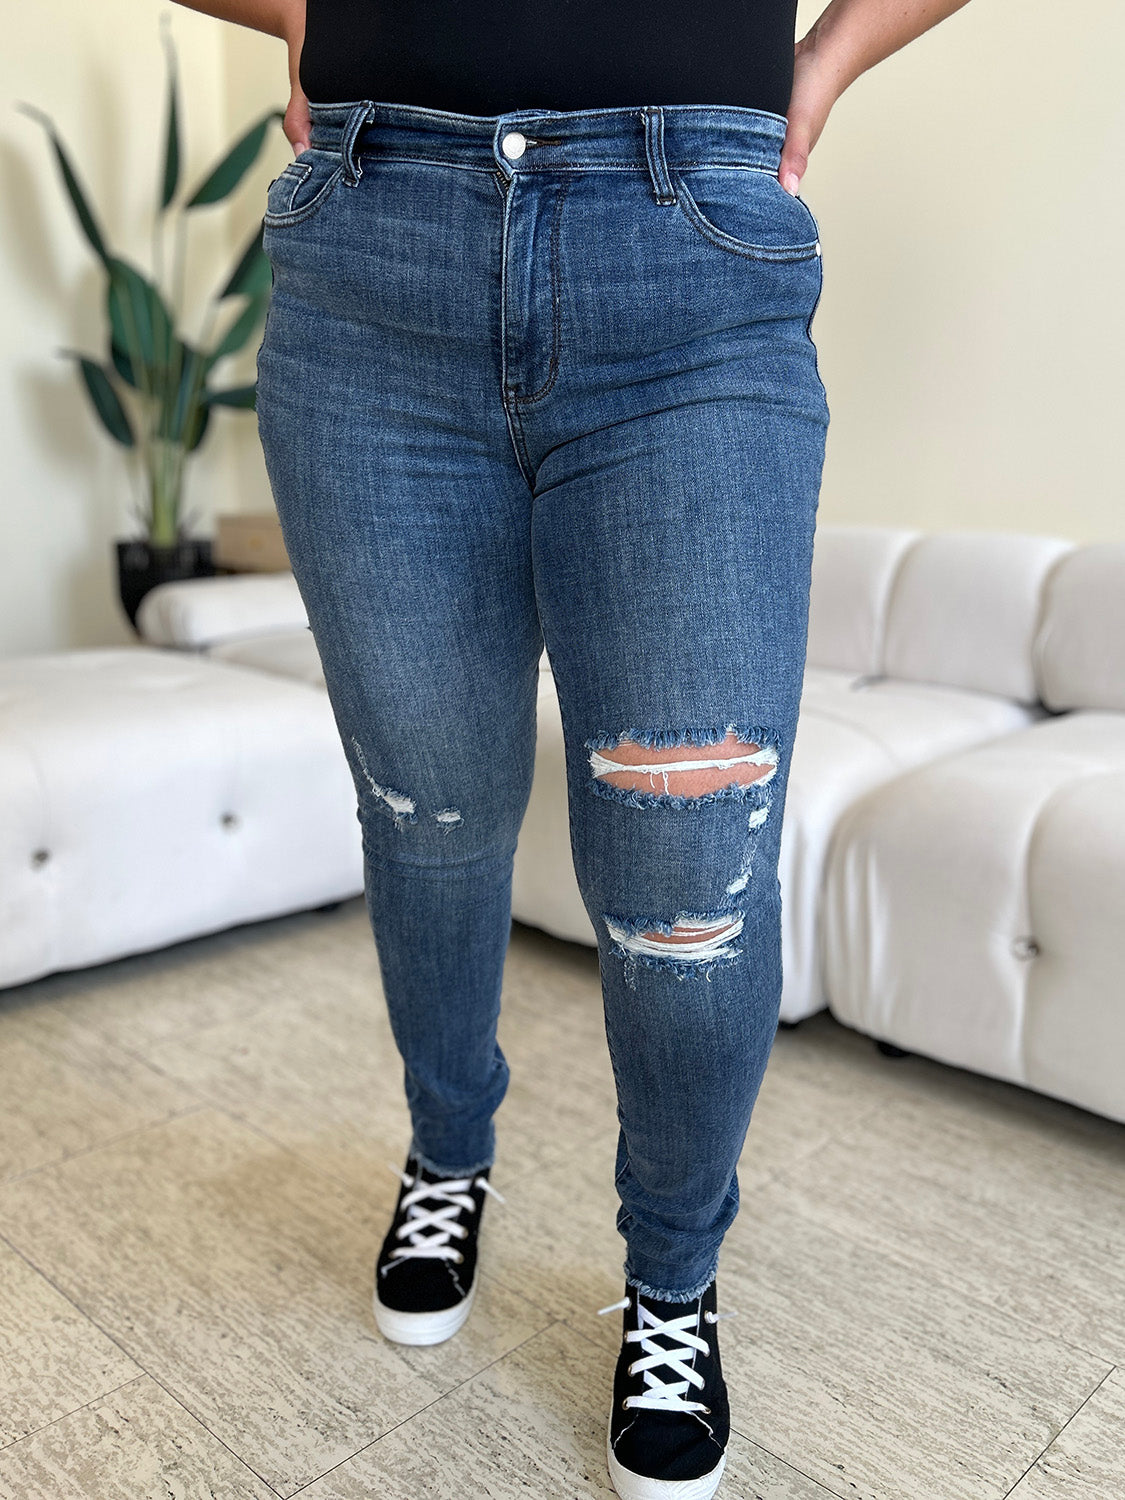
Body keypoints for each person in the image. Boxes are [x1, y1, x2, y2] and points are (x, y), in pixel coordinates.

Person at [175, 3, 972, 1495]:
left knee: (686, 877)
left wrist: (823, 63)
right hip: (374, 253)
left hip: (692, 259)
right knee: (429, 811)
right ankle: (446, 1153)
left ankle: (672, 1280)